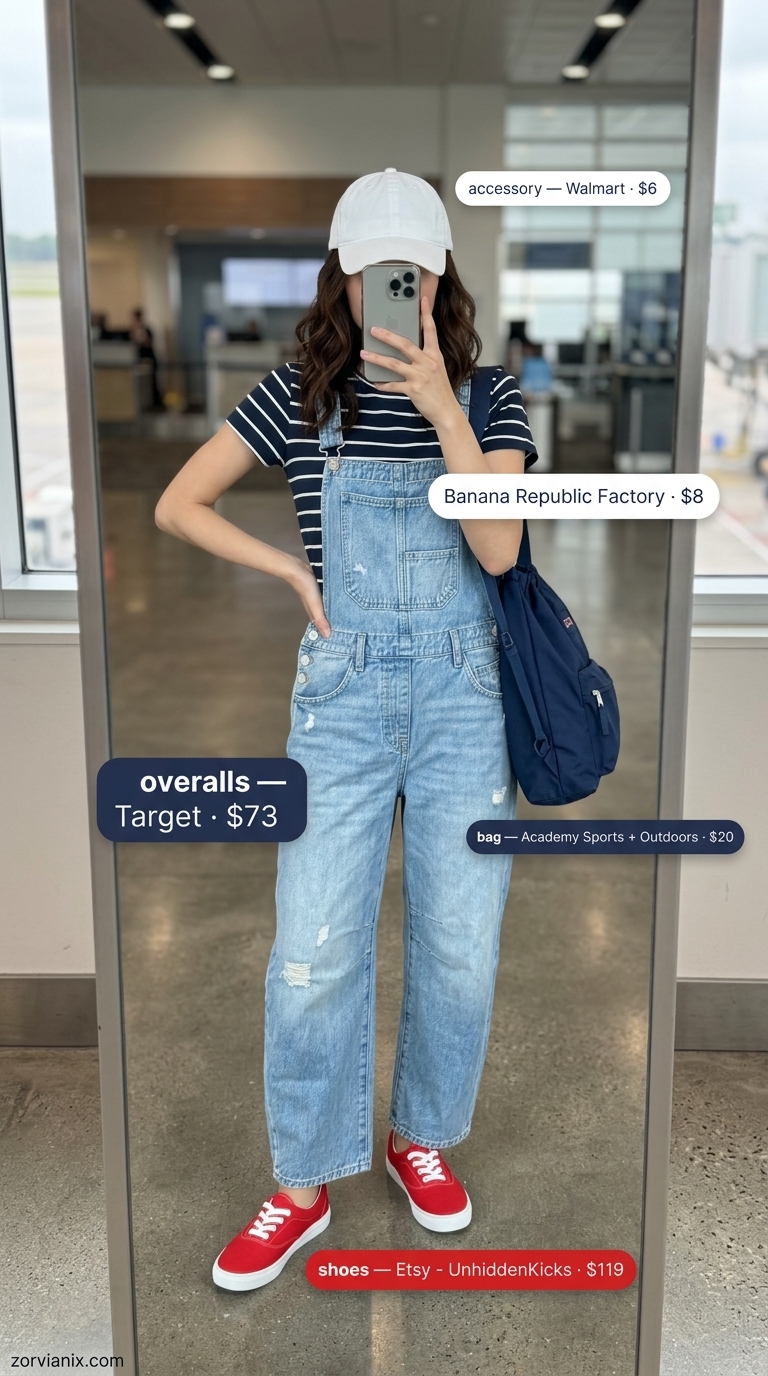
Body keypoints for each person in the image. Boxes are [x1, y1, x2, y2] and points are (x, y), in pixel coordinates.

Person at [155, 169, 537, 1292]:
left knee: (460, 945)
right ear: (345, 275)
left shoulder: (494, 395)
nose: (392, 289)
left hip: (468, 695)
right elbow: (182, 500)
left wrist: (443, 406)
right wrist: (286, 565)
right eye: (374, 271)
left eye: (407, 271)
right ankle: (304, 1181)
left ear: (438, 276)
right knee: (312, 953)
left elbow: (502, 550)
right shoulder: (299, 392)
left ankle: (419, 1135)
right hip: (345, 695)